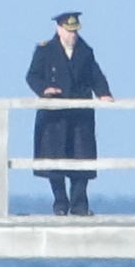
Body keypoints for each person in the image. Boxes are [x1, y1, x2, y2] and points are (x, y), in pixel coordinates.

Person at [25, 12, 113, 215]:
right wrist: (44, 89)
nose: (73, 35)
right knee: (54, 163)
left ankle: (80, 206)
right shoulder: (45, 50)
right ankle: (61, 204)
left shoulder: (85, 51)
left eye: (75, 31)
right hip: (54, 117)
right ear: (59, 29)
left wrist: (104, 93)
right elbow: (32, 75)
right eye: (69, 31)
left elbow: (96, 75)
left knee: (81, 162)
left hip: (80, 117)